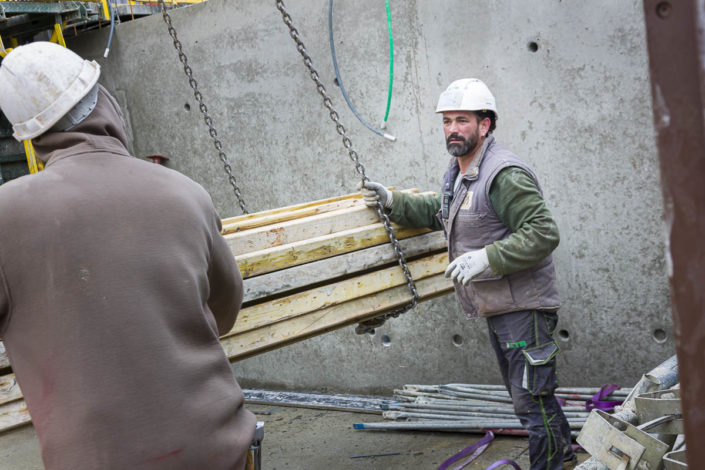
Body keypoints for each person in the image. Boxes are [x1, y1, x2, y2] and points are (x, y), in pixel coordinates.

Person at [0, 42, 255, 469]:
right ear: (106, 101)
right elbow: (225, 313)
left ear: (32, 136)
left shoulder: (6, 214)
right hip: (221, 450)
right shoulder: (186, 192)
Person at [359, 78, 575, 469]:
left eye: (462, 120)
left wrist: (487, 257)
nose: (452, 129)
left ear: (485, 124)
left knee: (530, 401)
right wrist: (393, 202)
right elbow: (439, 212)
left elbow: (543, 233)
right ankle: (565, 455)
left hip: (524, 309)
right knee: (531, 396)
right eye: (447, 121)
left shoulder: (503, 174)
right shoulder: (461, 171)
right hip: (500, 306)